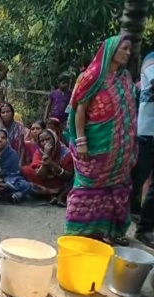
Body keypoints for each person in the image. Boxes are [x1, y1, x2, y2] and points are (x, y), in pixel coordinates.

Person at [65, 35, 136, 246]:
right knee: (88, 188)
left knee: (116, 189)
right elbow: (80, 110)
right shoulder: (92, 76)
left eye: (129, 50)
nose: (127, 53)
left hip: (120, 150)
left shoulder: (125, 78)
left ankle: (111, 232)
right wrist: (81, 140)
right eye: (124, 49)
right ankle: (80, 233)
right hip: (96, 145)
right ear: (111, 50)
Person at [133, 51, 154, 248]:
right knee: (135, 179)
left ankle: (144, 229)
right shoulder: (151, 59)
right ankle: (112, 224)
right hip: (147, 132)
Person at [21, 129, 73, 206]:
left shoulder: (66, 153)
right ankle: (50, 195)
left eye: (48, 139)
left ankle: (60, 196)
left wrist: (52, 164)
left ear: (54, 139)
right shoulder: (39, 152)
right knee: (26, 170)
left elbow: (68, 176)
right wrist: (46, 157)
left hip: (62, 184)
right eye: (42, 141)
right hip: (45, 184)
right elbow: (40, 175)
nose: (45, 143)